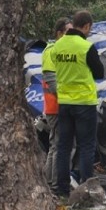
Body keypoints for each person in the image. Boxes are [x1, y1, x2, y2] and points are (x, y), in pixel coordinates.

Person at [54, 10, 105, 197]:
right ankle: (87, 189)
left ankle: (61, 188)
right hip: (84, 102)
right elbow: (99, 72)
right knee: (86, 146)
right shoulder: (86, 47)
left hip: (65, 102)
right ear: (86, 26)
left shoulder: (57, 46)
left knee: (64, 146)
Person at [41, 17, 72, 186]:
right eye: (68, 31)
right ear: (59, 33)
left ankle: (53, 182)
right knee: (58, 146)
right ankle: (53, 183)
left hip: (57, 105)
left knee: (57, 145)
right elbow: (52, 82)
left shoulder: (57, 49)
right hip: (57, 105)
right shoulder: (52, 50)